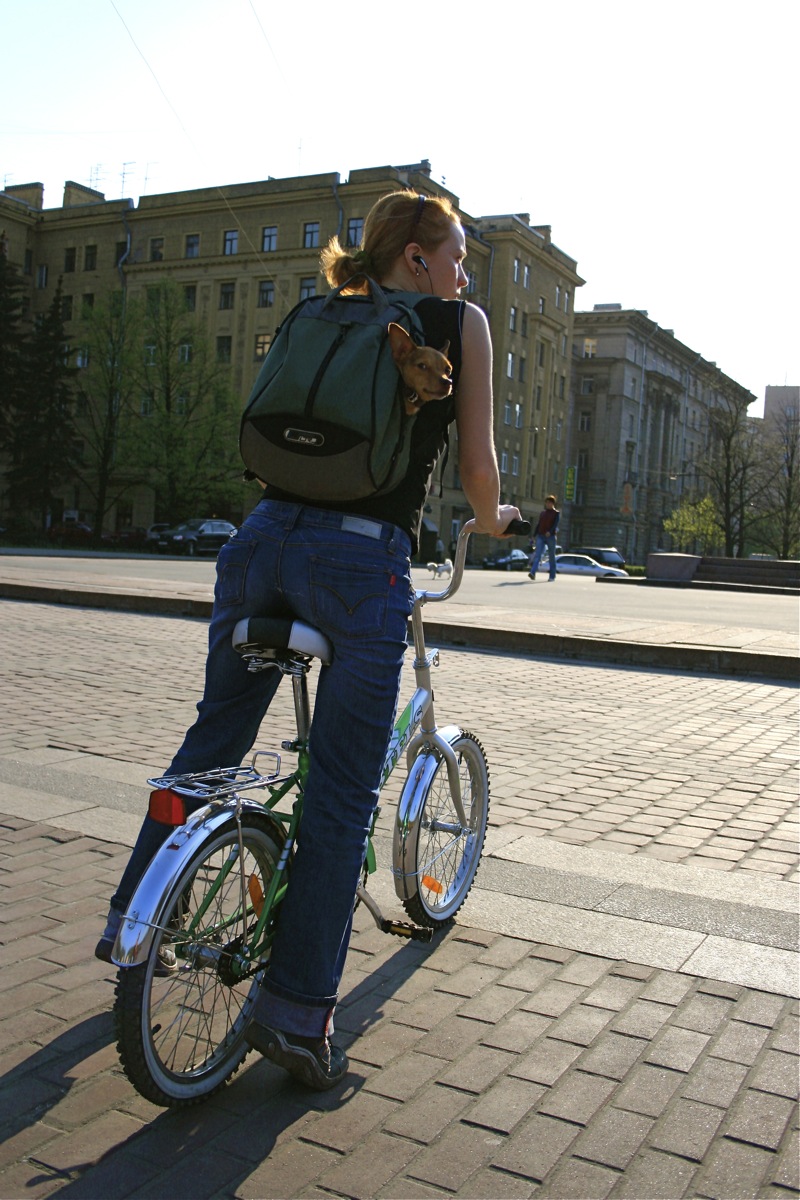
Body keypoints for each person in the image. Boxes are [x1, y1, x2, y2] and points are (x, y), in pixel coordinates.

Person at [95, 190, 521, 1090]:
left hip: (256, 546)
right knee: (338, 794)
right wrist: (500, 516)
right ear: (415, 257)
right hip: (358, 567)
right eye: (456, 255)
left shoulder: (318, 305)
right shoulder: (458, 320)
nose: (463, 273)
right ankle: (294, 1019)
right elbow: (479, 469)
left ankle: (135, 924)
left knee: (211, 743)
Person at [528, 495, 560, 581]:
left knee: (551, 556)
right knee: (537, 555)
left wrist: (550, 531)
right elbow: (539, 525)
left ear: (553, 504)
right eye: (546, 502)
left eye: (549, 502)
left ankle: (552, 576)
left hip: (551, 537)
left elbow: (555, 524)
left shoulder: (556, 513)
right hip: (541, 536)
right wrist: (533, 536)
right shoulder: (543, 513)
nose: (547, 504)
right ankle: (532, 573)